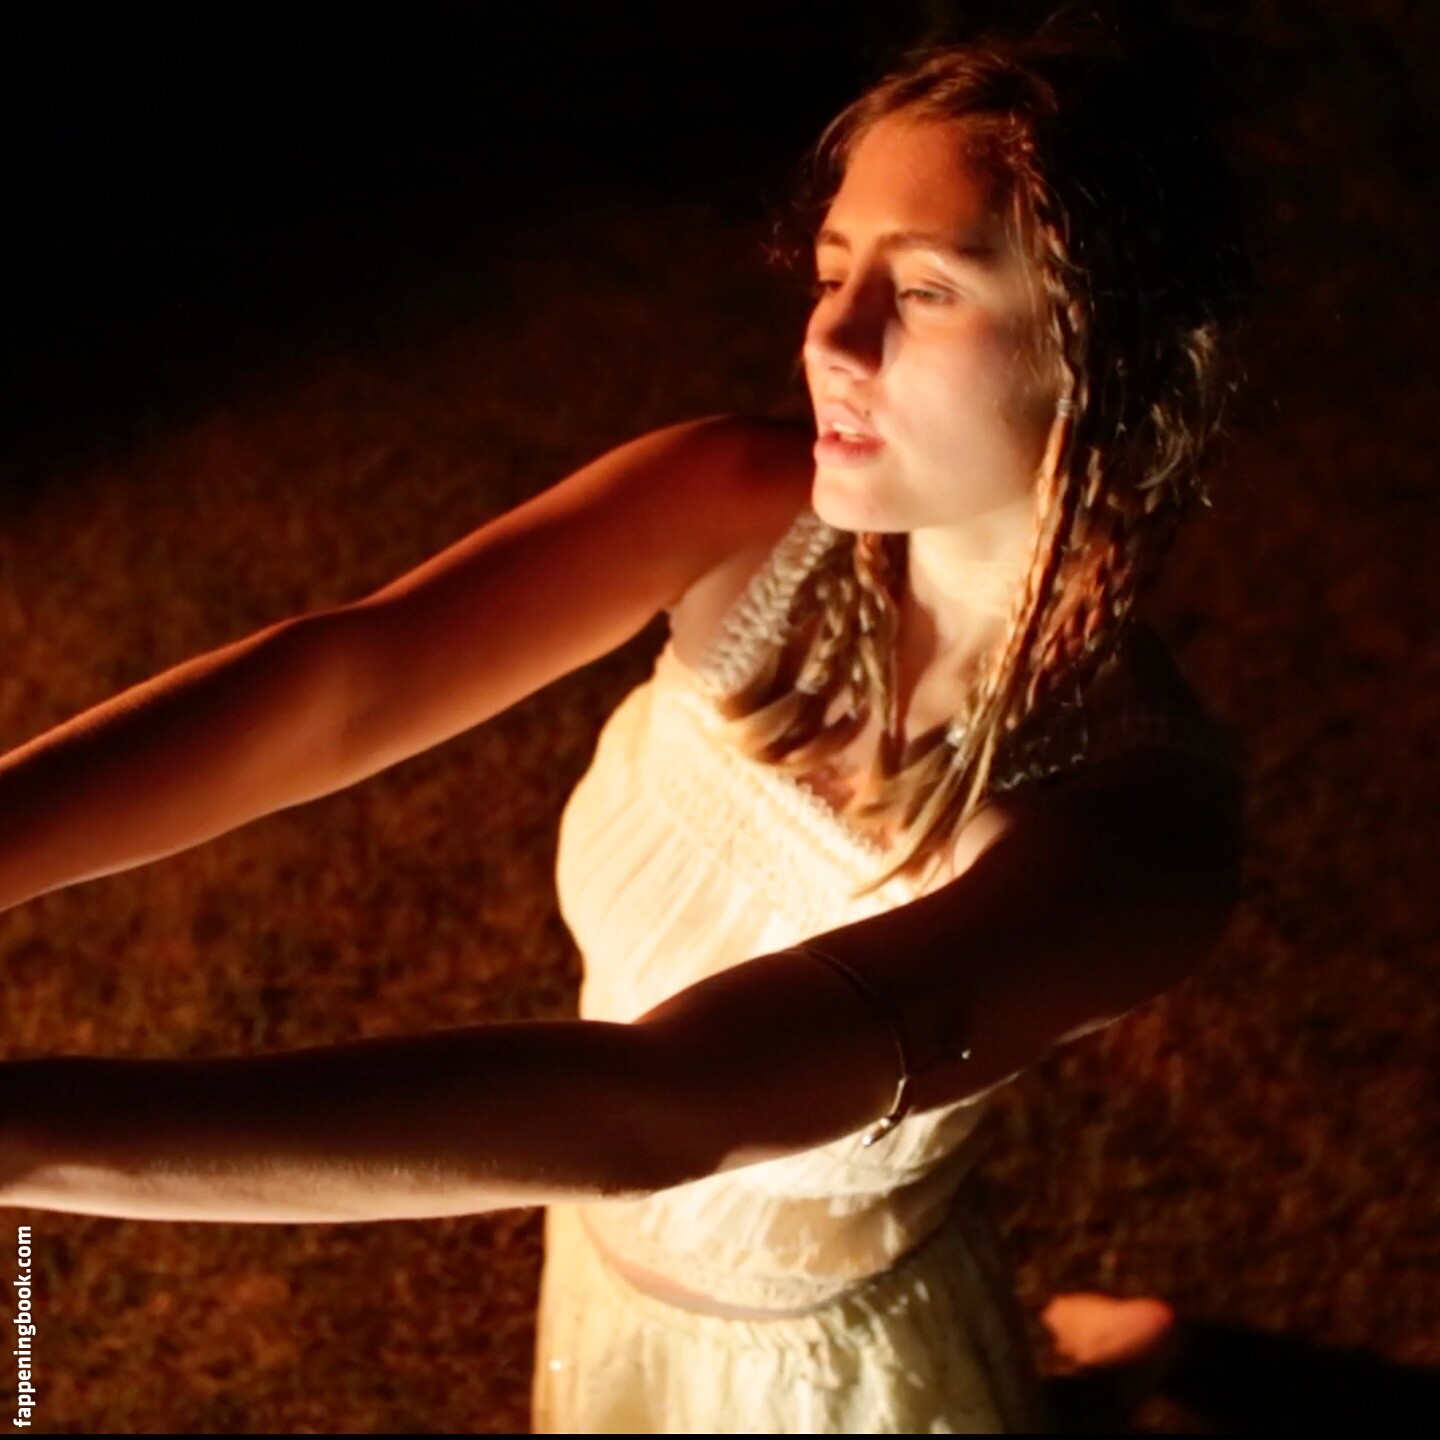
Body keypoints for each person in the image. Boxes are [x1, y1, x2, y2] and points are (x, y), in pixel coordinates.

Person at [0, 22, 1246, 1434]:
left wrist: (24, 1133)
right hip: (605, 1275)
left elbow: (666, 1107)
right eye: (833, 271)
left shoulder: (1133, 841)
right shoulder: (732, 510)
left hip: (825, 1375)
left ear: (1113, 350)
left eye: (926, 288)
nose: (831, 338)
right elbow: (345, 686)